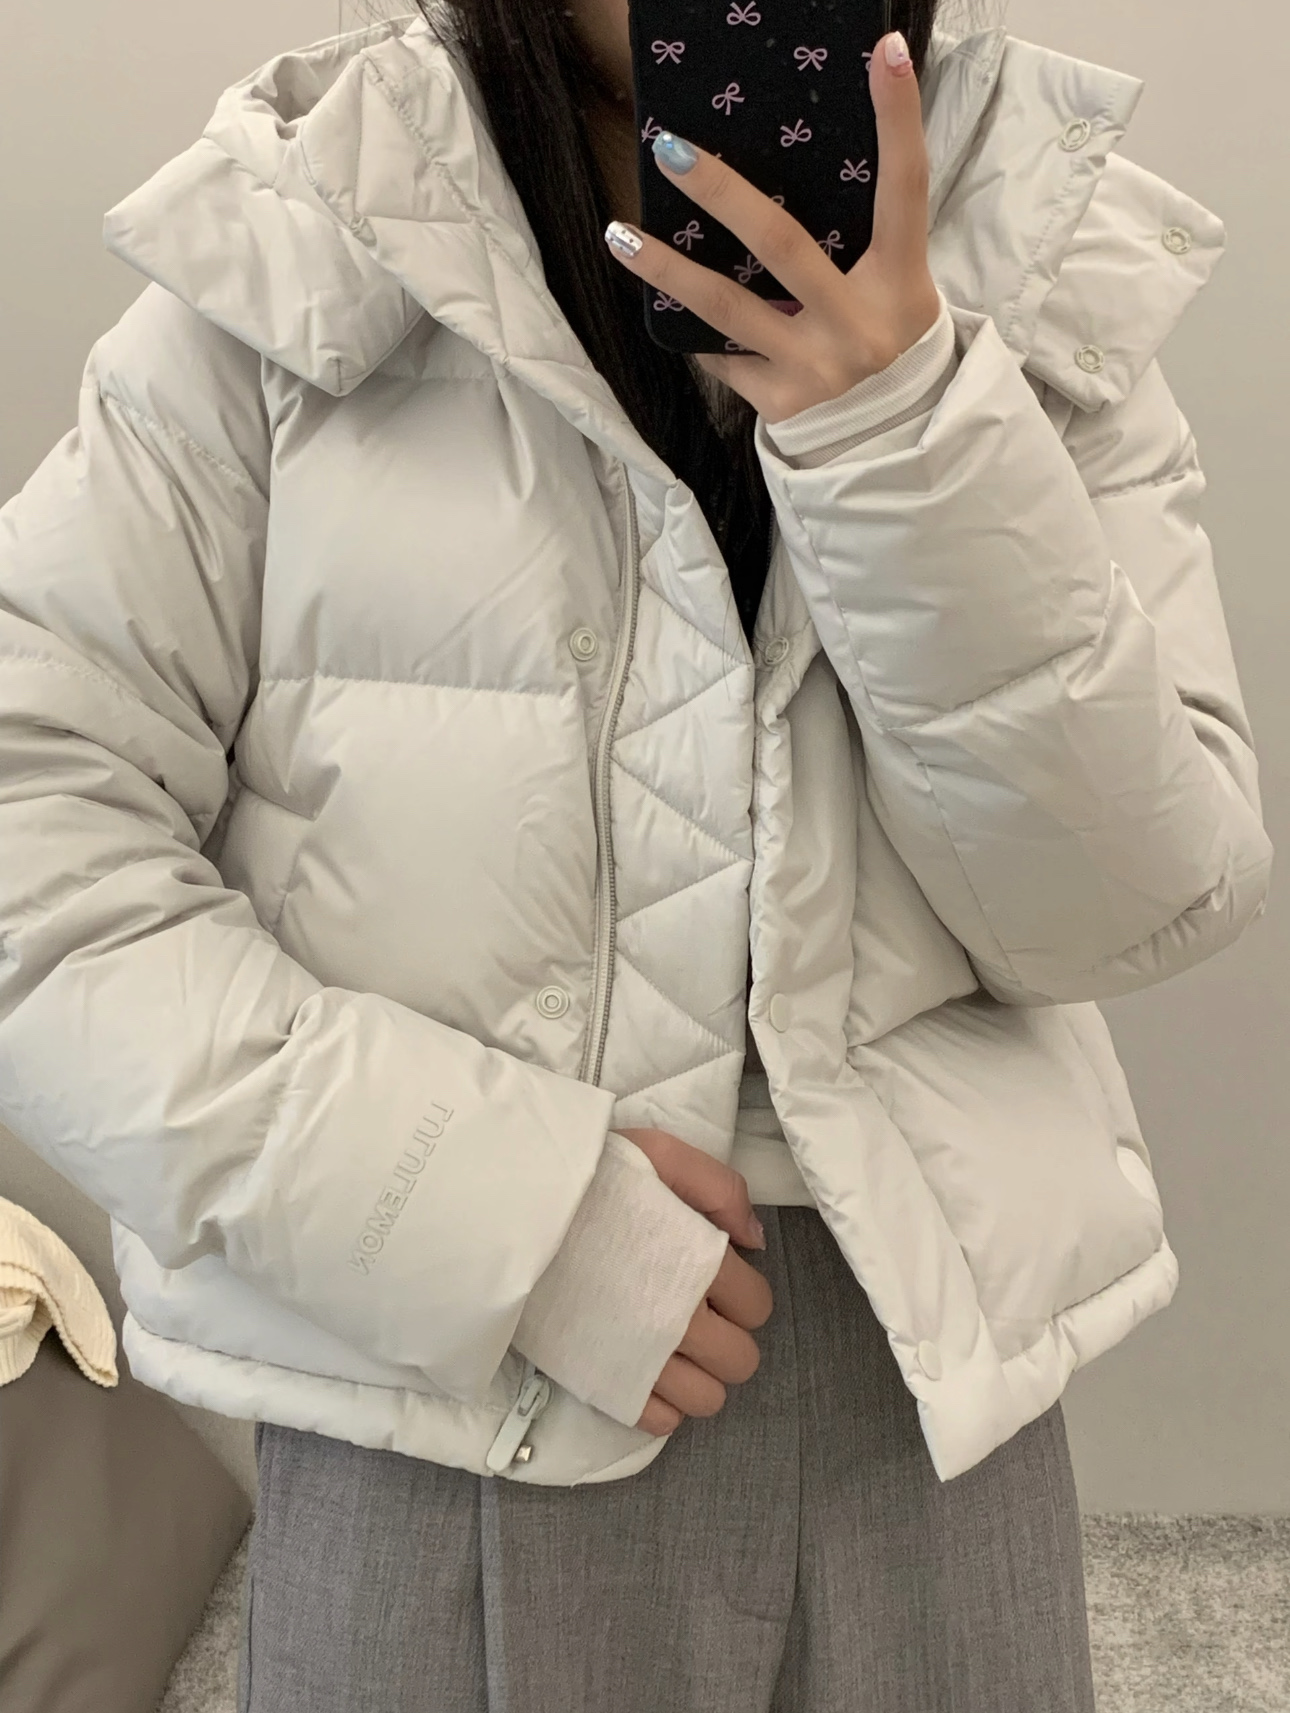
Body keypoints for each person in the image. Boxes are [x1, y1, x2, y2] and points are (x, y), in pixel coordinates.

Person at [0, 0, 1271, 1706]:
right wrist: (471, 1207)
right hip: (434, 1359)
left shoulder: (1028, 234)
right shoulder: (307, 226)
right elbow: (33, 830)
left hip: (919, 1361)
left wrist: (910, 441)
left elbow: (1126, 905)